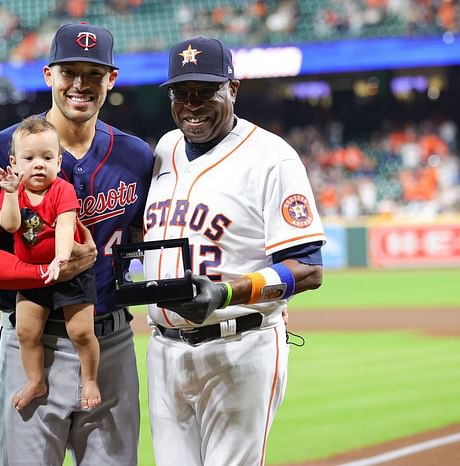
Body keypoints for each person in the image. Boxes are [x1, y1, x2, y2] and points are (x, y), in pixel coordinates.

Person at [0, 23, 154, 465]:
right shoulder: (0, 152)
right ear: (49, 75)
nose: (80, 84)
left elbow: (147, 240)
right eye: (69, 71)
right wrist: (43, 272)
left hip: (111, 341)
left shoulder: (137, 156)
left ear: (112, 79)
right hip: (32, 339)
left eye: (93, 72)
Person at [142, 37, 326, 466]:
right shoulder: (164, 149)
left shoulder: (273, 158)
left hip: (239, 345)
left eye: (206, 92)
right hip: (163, 350)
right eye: (181, 93)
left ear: (233, 89)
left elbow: (309, 270)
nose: (192, 105)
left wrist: (228, 292)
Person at [0, 116, 101, 411]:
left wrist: (61, 259)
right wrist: (12, 194)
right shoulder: (12, 191)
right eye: (29, 158)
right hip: (33, 277)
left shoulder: (62, 190)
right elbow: (10, 226)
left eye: (47, 157)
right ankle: (35, 380)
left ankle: (89, 380)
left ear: (59, 160)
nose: (38, 164)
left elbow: (66, 226)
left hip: (69, 272)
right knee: (26, 332)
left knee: (80, 332)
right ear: (14, 163)